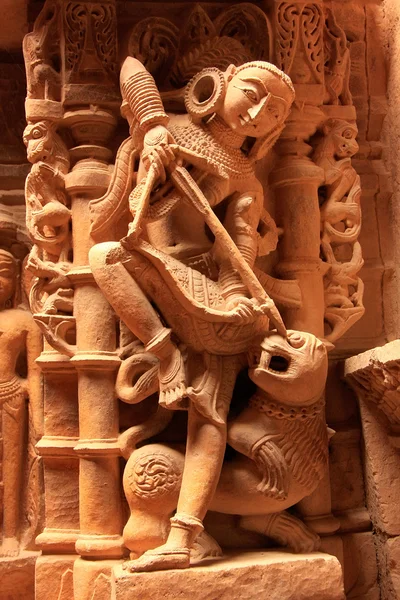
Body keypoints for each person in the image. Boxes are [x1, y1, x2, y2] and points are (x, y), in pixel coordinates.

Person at [89, 57, 295, 571]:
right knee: (104, 257)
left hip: (203, 283)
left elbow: (236, 247)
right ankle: (164, 354)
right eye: (252, 93)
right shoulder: (172, 131)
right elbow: (132, 68)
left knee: (210, 413)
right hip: (152, 264)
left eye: (275, 113)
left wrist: (233, 292)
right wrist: (154, 122)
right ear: (222, 82)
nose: (260, 112)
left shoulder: (246, 178)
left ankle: (184, 536)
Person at [0, 249, 41, 556]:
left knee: (13, 468)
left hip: (10, 396)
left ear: (15, 279)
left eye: (3, 273)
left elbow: (37, 371)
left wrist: (35, 404)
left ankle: (11, 532)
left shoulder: (24, 320)